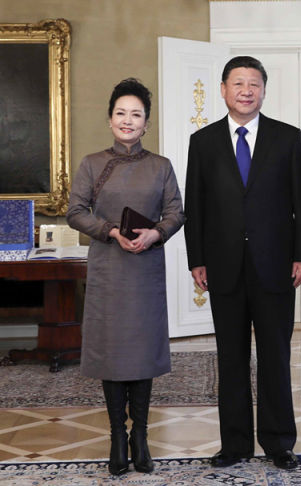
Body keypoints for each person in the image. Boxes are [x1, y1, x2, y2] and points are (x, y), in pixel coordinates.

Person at [184, 56, 301, 470]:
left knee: (275, 355)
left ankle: (279, 442)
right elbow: (195, 206)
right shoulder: (203, 142)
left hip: (276, 265)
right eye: (238, 83)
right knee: (231, 357)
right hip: (222, 265)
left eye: (254, 83)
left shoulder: (287, 137)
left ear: (263, 90)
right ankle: (235, 443)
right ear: (223, 89)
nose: (246, 91)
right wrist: (197, 259)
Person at [67, 78, 185, 476]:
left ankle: (141, 437)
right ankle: (118, 435)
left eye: (136, 115)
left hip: (145, 270)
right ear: (110, 119)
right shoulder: (91, 163)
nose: (128, 120)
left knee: (142, 354)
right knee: (113, 354)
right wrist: (111, 231)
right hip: (108, 269)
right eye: (121, 113)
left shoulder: (161, 166)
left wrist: (156, 233)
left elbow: (176, 212)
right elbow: (76, 211)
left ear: (147, 123)